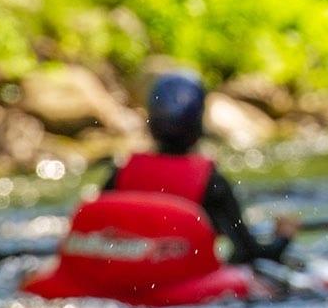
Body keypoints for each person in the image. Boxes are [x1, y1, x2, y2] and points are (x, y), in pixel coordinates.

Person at [101, 71, 297, 265]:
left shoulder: (121, 174)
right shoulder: (211, 184)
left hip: (126, 281)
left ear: (151, 122)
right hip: (184, 285)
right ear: (198, 123)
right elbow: (248, 253)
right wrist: (283, 237)